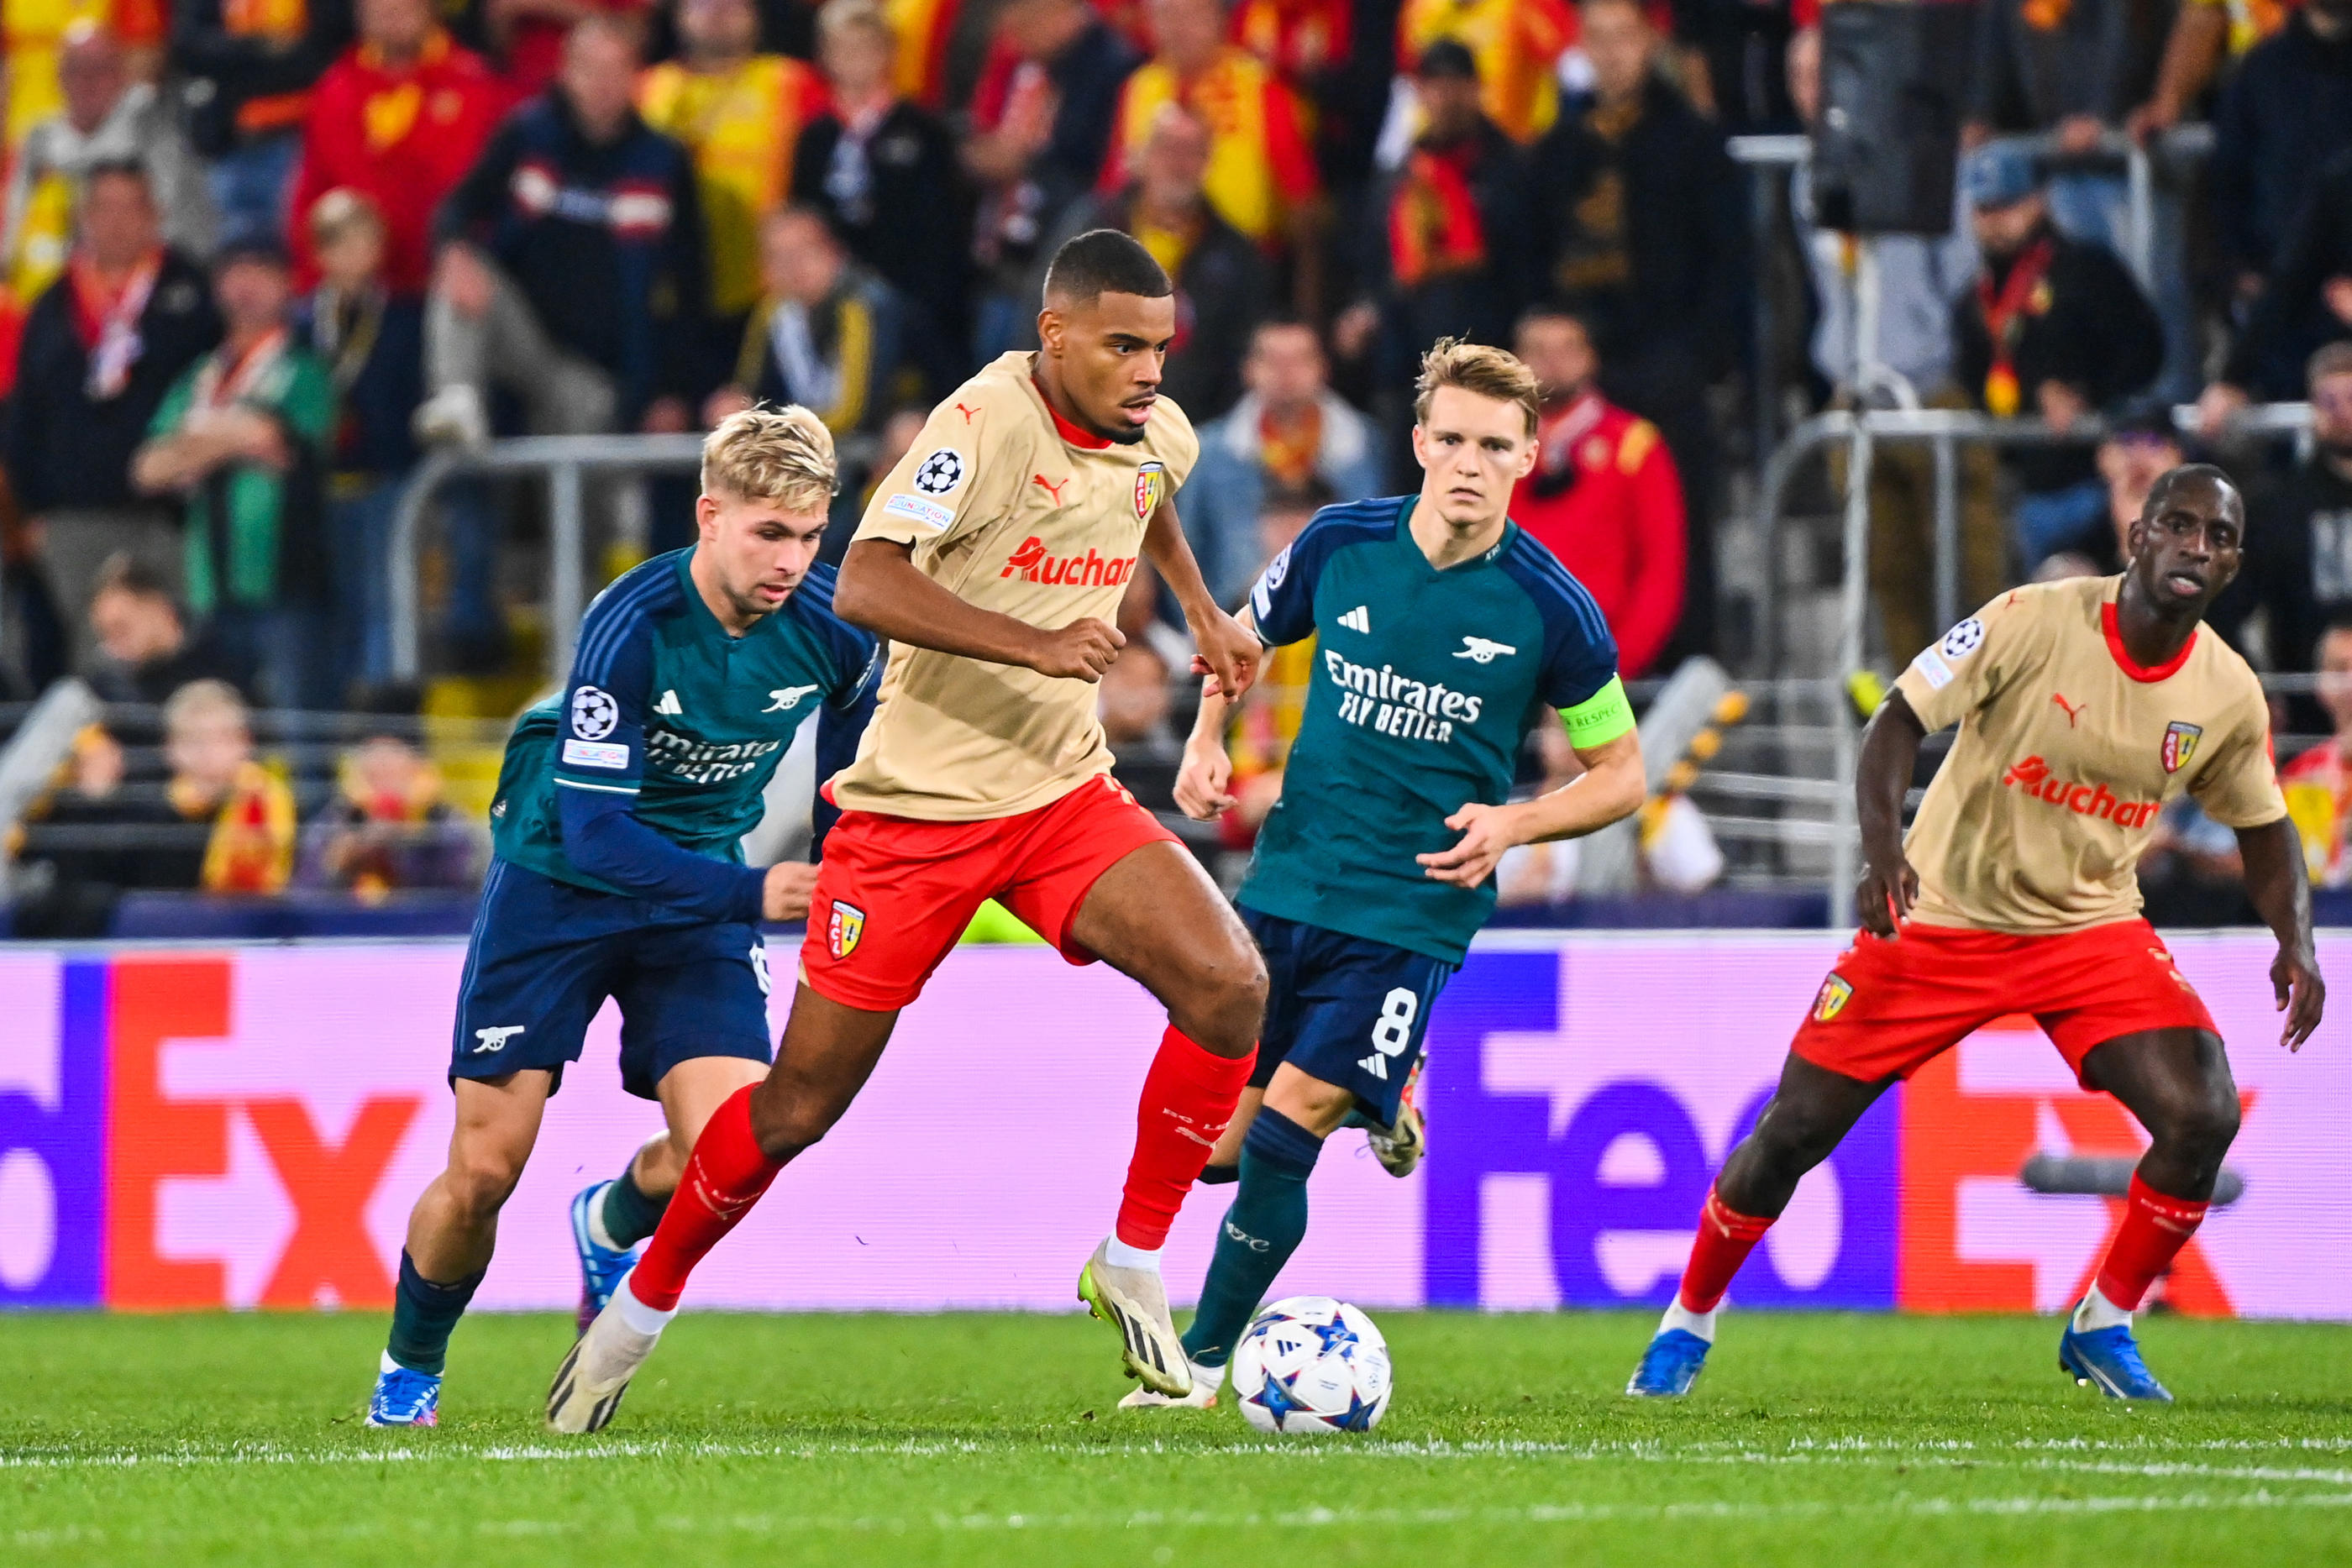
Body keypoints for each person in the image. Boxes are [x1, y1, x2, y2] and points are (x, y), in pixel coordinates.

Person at [546, 228, 1267, 1430]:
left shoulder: (1156, 428)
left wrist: (1202, 609)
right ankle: (640, 1305)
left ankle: (1132, 1253)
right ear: (1055, 336)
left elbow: (1150, 496)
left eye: (1162, 346)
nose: (1150, 369)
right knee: (796, 1108)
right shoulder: (981, 425)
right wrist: (1039, 644)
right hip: (915, 818)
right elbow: (872, 580)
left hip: (1059, 796)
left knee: (1229, 987)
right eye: (1124, 345)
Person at [1627, 464, 2323, 1404]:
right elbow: (1897, 719)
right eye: (2179, 525)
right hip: (1941, 916)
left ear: (2235, 561)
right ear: (2139, 536)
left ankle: (2104, 1321)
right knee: (1791, 1132)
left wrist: (2296, 938)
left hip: (2089, 930)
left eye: (2217, 536)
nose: (2195, 547)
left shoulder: (2227, 692)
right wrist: (1882, 855)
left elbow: (2262, 823)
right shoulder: (2030, 619)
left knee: (2203, 1112)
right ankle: (1687, 1320)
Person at [1123, 340, 1646, 1407]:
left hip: (1414, 906)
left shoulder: (1551, 609)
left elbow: (1623, 774)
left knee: (1282, 1132)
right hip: (1287, 884)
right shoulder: (1339, 543)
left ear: (1527, 456)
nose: (1467, 462)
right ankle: (1391, 1094)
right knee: (1220, 1150)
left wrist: (1515, 822)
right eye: (1449, 439)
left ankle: (1199, 1365)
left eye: (1492, 445)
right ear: (1416, 443)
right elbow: (1239, 636)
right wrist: (1206, 737)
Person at [363, 406, 882, 1427]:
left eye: (811, 535)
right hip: (562, 878)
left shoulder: (836, 627)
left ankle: (611, 1220)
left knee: (733, 1147)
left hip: (695, 894)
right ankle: (409, 1373)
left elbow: (851, 771)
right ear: (709, 515)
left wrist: (835, 867)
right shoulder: (631, 625)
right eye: (769, 533)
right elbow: (601, 837)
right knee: (482, 1170)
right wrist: (756, 892)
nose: (791, 560)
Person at [1529, 0, 1741, 658]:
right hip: (1571, 371)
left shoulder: (1696, 143)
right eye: (1600, 38)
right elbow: (1533, 257)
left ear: (1650, 43)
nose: (1613, 52)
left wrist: (1701, 360)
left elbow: (1728, 261)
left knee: (1678, 533)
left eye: (1626, 38)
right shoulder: (1558, 151)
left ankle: (1689, 672)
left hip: (1666, 367)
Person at [417, 16, 708, 450]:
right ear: (567, 73)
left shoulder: (664, 159)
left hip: (600, 371)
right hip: (525, 336)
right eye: (590, 69)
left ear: (636, 76)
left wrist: (676, 390)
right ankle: (457, 401)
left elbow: (691, 282)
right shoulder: (529, 132)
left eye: (615, 70)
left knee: (604, 509)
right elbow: (456, 209)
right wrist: (453, 250)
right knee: (460, 267)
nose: (602, 84)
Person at [5, 161, 222, 664]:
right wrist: (35, 517)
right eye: (103, 207)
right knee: (96, 660)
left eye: (131, 206)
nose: (117, 221)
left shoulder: (191, 291)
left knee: (180, 647)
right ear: (83, 217)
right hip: (74, 521)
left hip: (168, 517)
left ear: (156, 214)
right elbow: (23, 418)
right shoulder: (52, 305)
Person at [131, 237, 337, 709]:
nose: (246, 285)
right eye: (234, 271)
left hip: (289, 583)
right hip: (210, 590)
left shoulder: (304, 369)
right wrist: (232, 436)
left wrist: (192, 443)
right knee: (227, 732)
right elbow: (146, 469)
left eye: (262, 271)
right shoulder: (200, 374)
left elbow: (271, 435)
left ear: (288, 284)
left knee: (299, 731)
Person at [1952, 142, 2164, 569]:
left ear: (2039, 200)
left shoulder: (2088, 269)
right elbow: (1975, 378)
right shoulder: (1973, 299)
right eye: (1983, 209)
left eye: (2008, 206)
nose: (1995, 222)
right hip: (2025, 487)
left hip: (2098, 479)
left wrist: (2088, 396)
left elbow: (2147, 349)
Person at [1336, 39, 1531, 429]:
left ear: (1478, 89)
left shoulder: (1514, 171)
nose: (1447, 98)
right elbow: (1375, 266)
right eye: (1436, 86)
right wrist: (1365, 308)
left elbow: (1529, 263)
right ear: (1420, 93)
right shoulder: (1399, 176)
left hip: (1489, 361)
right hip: (1407, 368)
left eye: (1457, 85)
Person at [1035, 102, 1268, 424]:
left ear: (1208, 162)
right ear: (1140, 158)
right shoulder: (1090, 229)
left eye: (1192, 151)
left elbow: (1241, 359)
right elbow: (1043, 320)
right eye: (1167, 147)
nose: (1178, 163)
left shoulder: (1234, 253)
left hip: (1189, 433)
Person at [792, 0, 969, 396]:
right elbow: (803, 219)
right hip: (830, 305)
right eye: (843, 47)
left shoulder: (924, 132)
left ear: (888, 53)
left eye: (867, 46)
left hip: (908, 303)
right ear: (824, 55)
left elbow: (943, 232)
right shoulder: (815, 137)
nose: (856, 59)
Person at [285, 0, 507, 297]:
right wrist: (312, 280)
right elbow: (311, 190)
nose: (390, 22)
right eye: (378, 13)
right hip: (361, 288)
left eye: (402, 11)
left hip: (450, 280)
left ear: (430, 11)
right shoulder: (336, 89)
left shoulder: (475, 83)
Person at [293, 188, 423, 693]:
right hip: (323, 482)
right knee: (334, 594)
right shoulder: (304, 321)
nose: (356, 256)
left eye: (366, 242)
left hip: (383, 475)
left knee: (383, 592)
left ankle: (383, 696)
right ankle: (342, 690)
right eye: (341, 245)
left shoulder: (403, 315)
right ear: (320, 253)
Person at [1509, 307, 1683, 679]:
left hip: (1607, 668)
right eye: (1538, 350)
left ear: (1591, 358)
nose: (1552, 363)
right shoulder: (1492, 450)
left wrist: (1603, 673)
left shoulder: (1634, 446)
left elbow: (1661, 574)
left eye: (1567, 349)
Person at [960, 0, 1141, 359]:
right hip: (1006, 259)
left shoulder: (1112, 67)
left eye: (1025, 21)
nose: (1016, 35)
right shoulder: (1030, 65)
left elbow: (1092, 166)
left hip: (1064, 262)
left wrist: (1022, 162)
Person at [637, 0, 830, 323]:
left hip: (771, 292)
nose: (718, 9)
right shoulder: (645, 88)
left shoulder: (793, 81)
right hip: (665, 289)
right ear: (678, 15)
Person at [1096, 0, 1322, 266]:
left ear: (1221, 19)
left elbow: (1303, 201)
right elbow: (1110, 189)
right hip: (1138, 266)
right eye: (1166, 15)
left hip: (1238, 270)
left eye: (1192, 15)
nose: (1178, 28)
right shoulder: (1138, 88)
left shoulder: (1261, 91)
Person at [3, 22, 213, 302]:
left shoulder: (150, 130)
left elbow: (176, 226)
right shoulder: (41, 141)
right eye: (77, 70)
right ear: (59, 78)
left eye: (100, 69)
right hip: (49, 293)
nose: (87, 81)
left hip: (140, 288)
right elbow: (9, 230)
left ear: (122, 76)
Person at [1181, 317, 1380, 608]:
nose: (1286, 374)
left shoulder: (1366, 444)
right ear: (1248, 370)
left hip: (1346, 612)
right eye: (1273, 361)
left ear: (1323, 368)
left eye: (1299, 360)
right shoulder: (1207, 451)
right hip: (1232, 618)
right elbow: (1184, 545)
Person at [2210, 343, 2352, 733]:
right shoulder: (2277, 506)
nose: (2342, 412)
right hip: (2304, 717)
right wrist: (2254, 685)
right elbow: (2223, 606)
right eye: (2329, 400)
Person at [706, 206, 904, 440]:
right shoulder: (774, 311)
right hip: (809, 437)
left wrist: (776, 432)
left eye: (804, 252)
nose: (792, 268)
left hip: (889, 433)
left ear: (834, 252)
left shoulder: (863, 305)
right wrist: (734, 407)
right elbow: (749, 388)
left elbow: (855, 412)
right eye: (778, 257)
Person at [171, 0, 353, 249]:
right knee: (235, 255)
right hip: (233, 143)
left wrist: (243, 65)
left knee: (301, 248)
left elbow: (328, 50)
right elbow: (190, 47)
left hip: (304, 144)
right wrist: (261, 47)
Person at [300, 726, 484, 894]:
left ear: (416, 766)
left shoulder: (446, 820)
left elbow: (462, 889)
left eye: (392, 758)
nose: (381, 766)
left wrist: (408, 842)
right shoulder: (336, 820)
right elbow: (303, 893)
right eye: (373, 757)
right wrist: (341, 861)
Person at [1395, 0, 1574, 145]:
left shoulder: (1530, 6)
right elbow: (1406, 82)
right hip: (1434, 156)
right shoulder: (1419, 9)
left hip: (1518, 155)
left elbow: (1573, 66)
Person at [81, 551, 242, 702]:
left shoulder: (229, 657)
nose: (112, 648)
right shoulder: (108, 693)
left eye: (121, 628)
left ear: (157, 607)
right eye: (105, 634)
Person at [2278, 618, 2352, 886]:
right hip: (2328, 914)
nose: (2351, 681)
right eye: (2340, 669)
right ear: (2320, 684)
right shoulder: (2301, 772)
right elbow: (2303, 870)